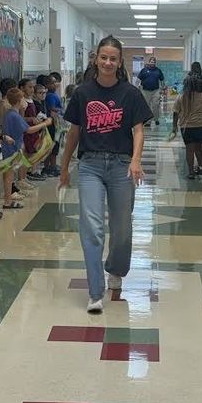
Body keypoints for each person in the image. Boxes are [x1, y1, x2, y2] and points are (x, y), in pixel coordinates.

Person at [59, 36, 153, 314]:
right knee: (92, 226)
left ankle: (116, 268)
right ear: (95, 59)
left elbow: (138, 129)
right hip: (90, 165)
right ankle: (95, 291)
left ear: (120, 62)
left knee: (122, 228)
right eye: (104, 57)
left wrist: (135, 161)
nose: (108, 63)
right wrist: (65, 167)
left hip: (122, 165)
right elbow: (74, 133)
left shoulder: (131, 94)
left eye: (113, 58)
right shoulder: (82, 93)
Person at [3, 87, 53, 207]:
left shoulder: (13, 114)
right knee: (8, 176)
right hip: (10, 149)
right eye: (23, 99)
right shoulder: (13, 115)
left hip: (13, 148)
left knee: (9, 175)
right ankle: (8, 201)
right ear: (20, 100)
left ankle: (9, 198)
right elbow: (29, 130)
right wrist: (44, 124)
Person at [173, 72, 202, 180]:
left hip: (186, 127)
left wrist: (174, 127)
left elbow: (175, 112)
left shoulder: (181, 96)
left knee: (190, 149)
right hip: (200, 126)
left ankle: (191, 171)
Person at [43, 74, 64, 176]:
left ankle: (51, 166)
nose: (55, 84)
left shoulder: (54, 95)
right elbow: (52, 108)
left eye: (55, 82)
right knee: (53, 146)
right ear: (46, 85)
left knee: (55, 146)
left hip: (55, 123)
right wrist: (63, 110)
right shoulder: (50, 96)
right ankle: (51, 167)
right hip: (52, 124)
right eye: (52, 83)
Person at [137, 56, 165, 126]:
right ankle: (148, 121)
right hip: (145, 91)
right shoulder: (144, 70)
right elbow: (138, 79)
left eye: (154, 62)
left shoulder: (158, 70)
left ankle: (156, 119)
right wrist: (136, 87)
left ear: (155, 63)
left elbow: (162, 80)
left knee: (156, 105)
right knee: (147, 106)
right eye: (151, 62)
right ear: (149, 62)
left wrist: (162, 88)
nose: (152, 63)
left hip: (156, 91)